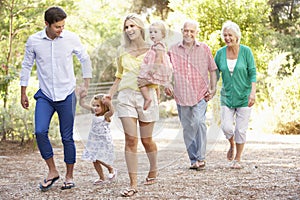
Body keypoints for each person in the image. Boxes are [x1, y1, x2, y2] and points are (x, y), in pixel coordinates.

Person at [20, 6, 92, 191]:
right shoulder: (34, 41)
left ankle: (69, 175)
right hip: (45, 94)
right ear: (47, 24)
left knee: (67, 137)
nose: (61, 30)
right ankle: (52, 171)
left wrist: (85, 84)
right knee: (40, 132)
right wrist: (23, 91)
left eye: (63, 26)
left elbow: (85, 58)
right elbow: (27, 66)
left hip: (67, 93)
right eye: (57, 27)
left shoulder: (70, 38)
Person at [107, 13, 159, 197]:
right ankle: (133, 183)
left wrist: (160, 87)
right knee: (131, 140)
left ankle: (153, 168)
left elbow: (161, 73)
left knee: (146, 140)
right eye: (126, 27)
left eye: (132, 26)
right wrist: (110, 95)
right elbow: (119, 76)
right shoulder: (121, 50)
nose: (129, 30)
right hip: (126, 97)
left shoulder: (153, 49)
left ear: (140, 28)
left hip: (147, 95)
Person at [166, 20, 217, 171]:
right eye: (186, 31)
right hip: (181, 95)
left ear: (196, 33)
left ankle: (201, 157)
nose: (188, 34)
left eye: (192, 31)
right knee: (187, 128)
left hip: (200, 93)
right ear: (182, 31)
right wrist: (167, 83)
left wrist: (213, 88)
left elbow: (212, 69)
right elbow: (167, 71)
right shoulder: (173, 50)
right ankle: (193, 159)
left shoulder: (204, 48)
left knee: (199, 122)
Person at [214, 20, 256, 169]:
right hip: (227, 96)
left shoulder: (246, 51)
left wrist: (253, 92)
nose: (227, 38)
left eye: (230, 35)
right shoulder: (220, 53)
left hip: (244, 96)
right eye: (225, 35)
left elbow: (252, 73)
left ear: (236, 36)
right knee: (226, 127)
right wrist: (211, 88)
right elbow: (215, 74)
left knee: (240, 129)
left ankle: (237, 159)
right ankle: (231, 142)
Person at [78, 91, 117, 185]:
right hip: (93, 141)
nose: (95, 108)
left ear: (104, 106)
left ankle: (111, 169)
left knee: (98, 157)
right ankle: (101, 177)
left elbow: (112, 111)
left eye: (98, 106)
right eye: (94, 105)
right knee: (94, 160)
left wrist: (109, 103)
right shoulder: (94, 113)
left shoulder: (105, 116)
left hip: (103, 141)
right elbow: (82, 104)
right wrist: (82, 97)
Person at [137, 20, 173, 110]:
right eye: (151, 32)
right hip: (154, 67)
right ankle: (157, 99)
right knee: (155, 85)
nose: (152, 34)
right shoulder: (154, 46)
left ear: (162, 35)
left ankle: (148, 98)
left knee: (140, 80)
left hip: (156, 68)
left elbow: (158, 59)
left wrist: (153, 70)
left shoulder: (159, 46)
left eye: (156, 32)